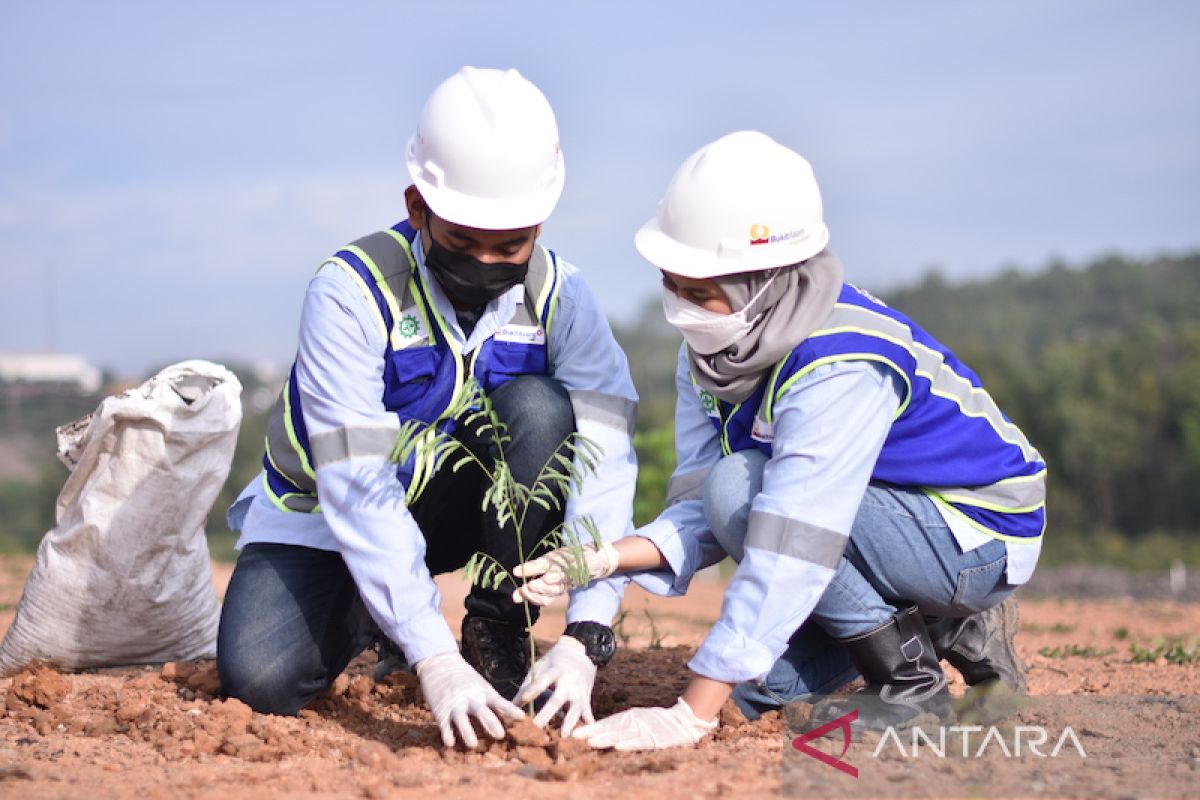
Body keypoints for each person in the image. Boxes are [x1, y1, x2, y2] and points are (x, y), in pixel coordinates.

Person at [512, 131, 1045, 751]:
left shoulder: (838, 365)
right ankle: (931, 621)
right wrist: (602, 559)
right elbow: (704, 510)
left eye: (700, 290)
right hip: (863, 520)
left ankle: (912, 680)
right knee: (753, 693)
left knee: (740, 487)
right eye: (672, 283)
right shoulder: (714, 354)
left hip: (972, 532)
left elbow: (795, 536)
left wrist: (690, 713)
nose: (681, 308)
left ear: (766, 282)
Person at [216, 67, 637, 749]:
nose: (486, 262)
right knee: (261, 679)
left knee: (539, 409)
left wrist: (588, 630)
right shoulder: (350, 293)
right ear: (418, 207)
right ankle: (373, 613)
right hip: (325, 516)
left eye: (510, 245)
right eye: (465, 240)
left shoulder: (563, 295)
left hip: (459, 508)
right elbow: (353, 483)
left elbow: (606, 456)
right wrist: (431, 655)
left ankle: (497, 622)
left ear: (539, 221)